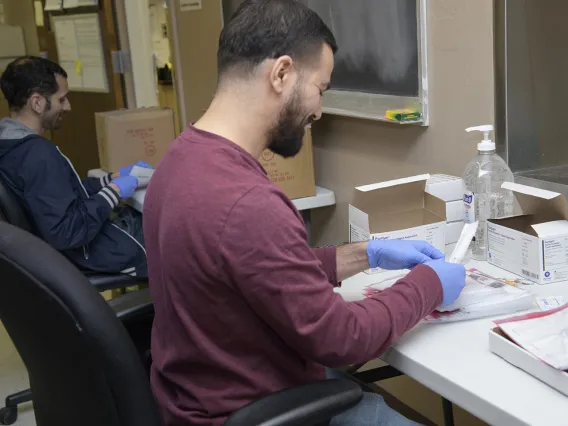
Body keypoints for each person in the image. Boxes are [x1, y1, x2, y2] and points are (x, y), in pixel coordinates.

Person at [143, 1, 466, 425]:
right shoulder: (247, 202)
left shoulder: (181, 161)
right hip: (254, 412)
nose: (318, 110)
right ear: (281, 74)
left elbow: (252, 267)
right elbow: (342, 339)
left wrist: (364, 254)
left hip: (198, 395)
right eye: (321, 89)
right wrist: (429, 285)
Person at [0, 56, 149, 278]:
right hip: (92, 251)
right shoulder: (37, 155)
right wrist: (115, 191)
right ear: (37, 103)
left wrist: (109, 179)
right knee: (173, 232)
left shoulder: (10, 144)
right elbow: (66, 231)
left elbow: (59, 195)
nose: (68, 106)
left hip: (70, 249)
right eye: (62, 99)